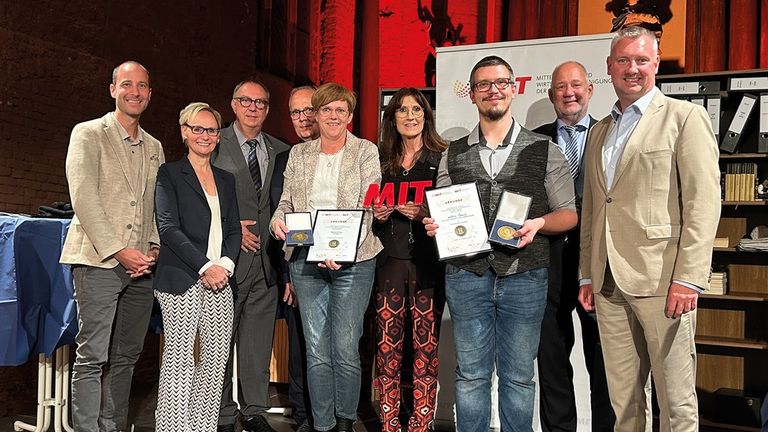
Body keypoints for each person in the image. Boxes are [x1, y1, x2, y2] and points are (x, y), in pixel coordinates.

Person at [423, 55, 578, 432]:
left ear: (513, 89)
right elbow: (442, 206)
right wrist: (435, 223)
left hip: (526, 277)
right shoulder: (452, 152)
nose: (493, 90)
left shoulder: (544, 148)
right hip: (466, 275)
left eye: (501, 83)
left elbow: (568, 214)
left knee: (519, 378)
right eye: (484, 84)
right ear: (472, 94)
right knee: (470, 376)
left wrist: (539, 223)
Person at [578, 26, 721, 432]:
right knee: (624, 402)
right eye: (623, 60)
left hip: (663, 280)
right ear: (609, 66)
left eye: (642, 60)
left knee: (676, 401)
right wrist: (587, 273)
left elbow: (703, 203)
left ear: (656, 63)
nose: (632, 68)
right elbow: (594, 208)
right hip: (608, 283)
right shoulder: (600, 130)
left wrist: (689, 278)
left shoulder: (684, 117)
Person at [60, 60, 165, 432]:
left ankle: (113, 427)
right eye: (127, 84)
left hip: (141, 268)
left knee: (126, 358)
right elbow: (83, 198)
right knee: (92, 356)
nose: (135, 92)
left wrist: (153, 248)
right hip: (98, 260)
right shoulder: (88, 133)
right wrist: (120, 250)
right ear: (113, 90)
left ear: (149, 93)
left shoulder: (155, 146)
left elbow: (157, 204)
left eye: (142, 86)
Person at [271, 82, 382, 432]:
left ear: (349, 116)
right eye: (326, 110)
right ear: (316, 115)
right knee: (317, 349)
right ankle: (323, 425)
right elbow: (287, 202)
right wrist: (277, 220)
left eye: (340, 110)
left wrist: (341, 250)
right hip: (305, 260)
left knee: (345, 347)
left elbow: (368, 206)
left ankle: (345, 421)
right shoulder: (299, 154)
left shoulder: (365, 151)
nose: (333, 116)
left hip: (354, 261)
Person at [532, 62, 614, 432]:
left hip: (598, 261)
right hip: (546, 261)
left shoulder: (611, 134)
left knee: (604, 358)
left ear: (590, 89)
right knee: (551, 358)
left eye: (576, 85)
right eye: (561, 87)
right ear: (551, 95)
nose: (569, 93)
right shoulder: (533, 141)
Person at [153, 102, 241, 431]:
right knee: (179, 362)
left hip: (221, 279)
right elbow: (168, 228)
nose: (205, 135)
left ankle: (202, 427)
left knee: (215, 364)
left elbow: (234, 230)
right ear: (184, 132)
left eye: (212, 130)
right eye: (198, 129)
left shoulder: (226, 180)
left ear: (218, 136)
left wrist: (225, 266)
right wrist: (206, 266)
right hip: (182, 278)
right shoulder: (169, 174)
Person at [213, 78, 290, 432]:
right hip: (228, 260)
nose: (253, 108)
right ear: (233, 104)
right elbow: (201, 195)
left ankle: (255, 410)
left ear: (268, 109)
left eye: (260, 103)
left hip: (267, 262)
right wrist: (231, 229)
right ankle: (223, 413)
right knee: (220, 342)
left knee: (258, 343)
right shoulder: (215, 142)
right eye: (246, 101)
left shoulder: (281, 150)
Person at [372, 88, 446, 432]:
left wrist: (424, 211)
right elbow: (366, 211)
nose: (410, 116)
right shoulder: (380, 160)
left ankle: (421, 423)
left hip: (428, 263)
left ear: (426, 116)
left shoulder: (441, 158)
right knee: (387, 348)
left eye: (417, 109)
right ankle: (389, 421)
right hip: (388, 261)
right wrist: (377, 215)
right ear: (392, 118)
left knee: (425, 348)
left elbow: (453, 211)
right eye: (402, 110)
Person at [268, 85, 320, 432]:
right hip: (298, 267)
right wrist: (287, 275)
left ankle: (331, 417)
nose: (303, 118)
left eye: (308, 110)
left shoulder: (350, 154)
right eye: (295, 112)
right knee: (300, 348)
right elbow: (281, 217)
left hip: (342, 268)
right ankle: (303, 416)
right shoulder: (284, 160)